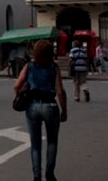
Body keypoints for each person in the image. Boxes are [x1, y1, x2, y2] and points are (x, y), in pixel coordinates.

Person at [14, 39, 67, 181]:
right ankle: (50, 173)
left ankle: (37, 175)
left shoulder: (29, 66)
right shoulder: (54, 67)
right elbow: (60, 91)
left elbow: (16, 85)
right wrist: (64, 110)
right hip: (51, 105)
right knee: (52, 141)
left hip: (32, 105)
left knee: (35, 143)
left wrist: (20, 96)